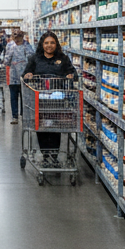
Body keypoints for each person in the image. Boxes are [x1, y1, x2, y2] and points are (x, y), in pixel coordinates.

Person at [23, 30, 77, 166]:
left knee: (55, 127)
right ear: (42, 44)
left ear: (56, 44)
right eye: (46, 43)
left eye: (52, 42)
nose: (49, 45)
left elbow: (73, 73)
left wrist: (71, 76)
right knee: (41, 127)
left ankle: (54, 154)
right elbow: (26, 74)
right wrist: (28, 75)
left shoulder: (63, 58)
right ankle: (45, 154)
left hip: (57, 100)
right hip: (39, 100)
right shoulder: (35, 58)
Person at [6, 30, 34, 125]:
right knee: (15, 96)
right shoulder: (11, 45)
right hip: (14, 74)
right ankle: (16, 116)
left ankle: (22, 115)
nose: (17, 40)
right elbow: (6, 60)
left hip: (24, 75)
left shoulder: (26, 45)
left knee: (24, 96)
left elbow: (31, 59)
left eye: (18, 38)